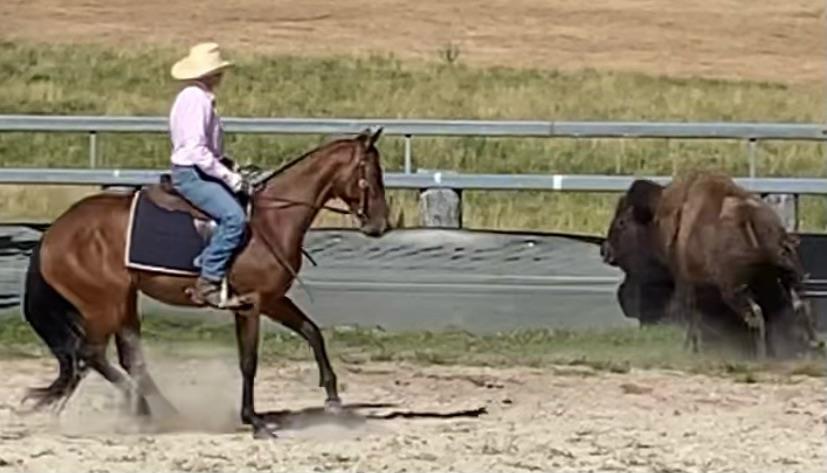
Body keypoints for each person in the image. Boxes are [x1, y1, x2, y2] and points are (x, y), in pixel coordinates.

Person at [168, 42, 247, 309]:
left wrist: (226, 165)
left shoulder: (195, 97)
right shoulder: (196, 100)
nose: (221, 76)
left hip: (198, 168)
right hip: (192, 173)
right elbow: (196, 150)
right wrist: (228, 176)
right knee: (234, 218)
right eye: (218, 71)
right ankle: (209, 278)